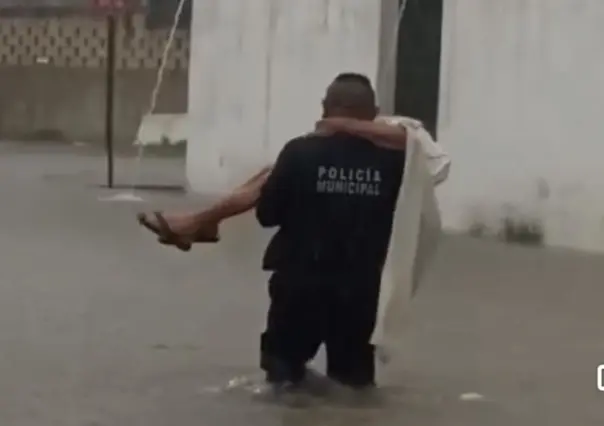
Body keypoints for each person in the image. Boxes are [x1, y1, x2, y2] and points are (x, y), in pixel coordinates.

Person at [137, 93, 449, 251]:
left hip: (400, 226)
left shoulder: (399, 129)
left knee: (280, 174)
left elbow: (410, 142)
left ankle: (200, 222)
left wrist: (342, 125)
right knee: (273, 172)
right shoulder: (362, 139)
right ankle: (206, 221)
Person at [254, 72, 406, 390]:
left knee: (282, 380)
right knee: (354, 387)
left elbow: (266, 215)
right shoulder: (397, 162)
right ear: (374, 114)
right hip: (361, 290)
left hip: (299, 285)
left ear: (325, 108)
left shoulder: (298, 152)